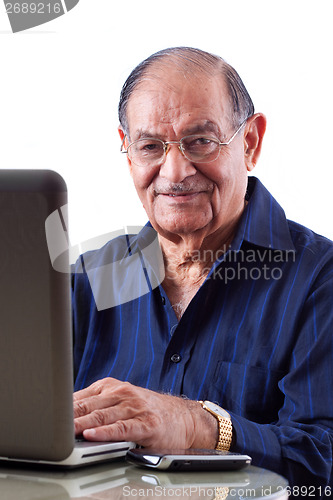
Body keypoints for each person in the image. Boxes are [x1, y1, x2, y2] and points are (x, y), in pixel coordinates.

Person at [72, 47, 333, 491]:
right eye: (151, 146)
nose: (175, 171)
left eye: (200, 142)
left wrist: (198, 426)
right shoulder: (87, 278)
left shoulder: (319, 279)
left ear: (250, 142)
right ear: (127, 150)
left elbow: (322, 467)